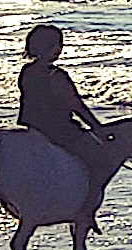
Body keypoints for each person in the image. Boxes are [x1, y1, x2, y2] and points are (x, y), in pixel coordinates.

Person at [17, 24, 109, 168]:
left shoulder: (27, 71)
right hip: (57, 129)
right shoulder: (56, 76)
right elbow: (76, 105)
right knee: (97, 155)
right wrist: (97, 128)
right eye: (57, 44)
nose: (59, 49)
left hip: (29, 125)